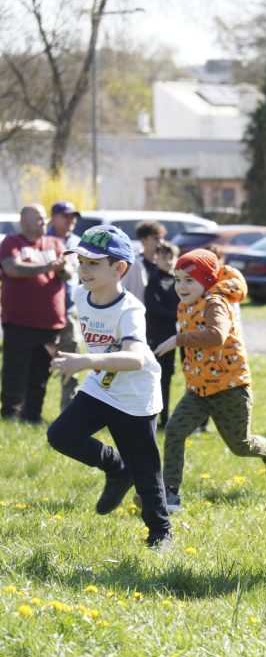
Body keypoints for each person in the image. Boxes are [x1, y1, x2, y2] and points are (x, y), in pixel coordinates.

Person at [45, 225, 171, 548]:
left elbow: (135, 360)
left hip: (134, 396)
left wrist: (85, 362)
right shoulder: (80, 295)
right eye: (82, 262)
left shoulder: (131, 310)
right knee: (60, 434)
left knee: (146, 470)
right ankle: (117, 469)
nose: (84, 269)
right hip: (102, 386)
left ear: (119, 269)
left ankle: (160, 533)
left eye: (93, 263)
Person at [153, 249, 266, 511]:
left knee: (240, 446)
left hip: (230, 387)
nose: (181, 286)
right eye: (178, 279)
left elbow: (216, 335)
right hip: (199, 389)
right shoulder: (187, 303)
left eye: (189, 280)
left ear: (206, 281)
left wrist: (177, 339)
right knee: (174, 431)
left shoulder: (216, 302)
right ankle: (170, 493)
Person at [0, 204, 68, 423]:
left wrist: (63, 268)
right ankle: (11, 415)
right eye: (38, 218)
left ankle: (33, 416)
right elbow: (12, 268)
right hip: (19, 322)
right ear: (24, 221)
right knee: (15, 373)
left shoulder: (55, 243)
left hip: (50, 324)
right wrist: (47, 267)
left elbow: (67, 273)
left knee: (40, 375)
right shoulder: (12, 242)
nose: (44, 221)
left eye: (44, 218)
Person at [47, 201, 82, 410]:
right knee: (39, 364)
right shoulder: (43, 241)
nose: (71, 221)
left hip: (70, 311)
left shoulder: (79, 243)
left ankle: (68, 412)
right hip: (43, 311)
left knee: (73, 360)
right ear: (54, 217)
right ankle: (28, 411)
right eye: (66, 216)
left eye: (74, 216)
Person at [144, 241, 180, 428]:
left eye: (172, 257)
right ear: (157, 259)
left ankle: (164, 418)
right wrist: (178, 315)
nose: (169, 261)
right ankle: (152, 417)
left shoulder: (177, 280)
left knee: (167, 378)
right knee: (155, 378)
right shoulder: (154, 280)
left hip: (172, 336)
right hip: (156, 337)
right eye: (164, 257)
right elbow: (154, 308)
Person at [122, 220, 166, 301]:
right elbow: (123, 289)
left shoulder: (166, 262)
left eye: (162, 238)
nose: (161, 242)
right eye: (156, 238)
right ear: (143, 240)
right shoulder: (133, 263)